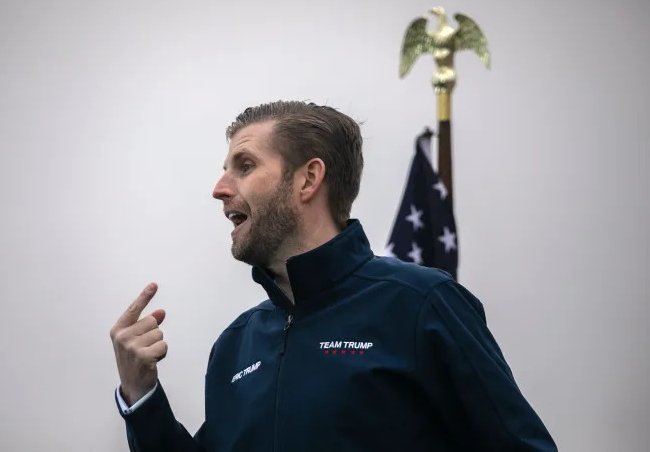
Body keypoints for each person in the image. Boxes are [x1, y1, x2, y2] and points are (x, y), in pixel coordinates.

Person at [110, 101, 557, 451]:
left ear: (308, 180)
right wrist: (141, 396)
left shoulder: (422, 304)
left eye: (244, 166)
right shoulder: (234, 345)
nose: (219, 188)